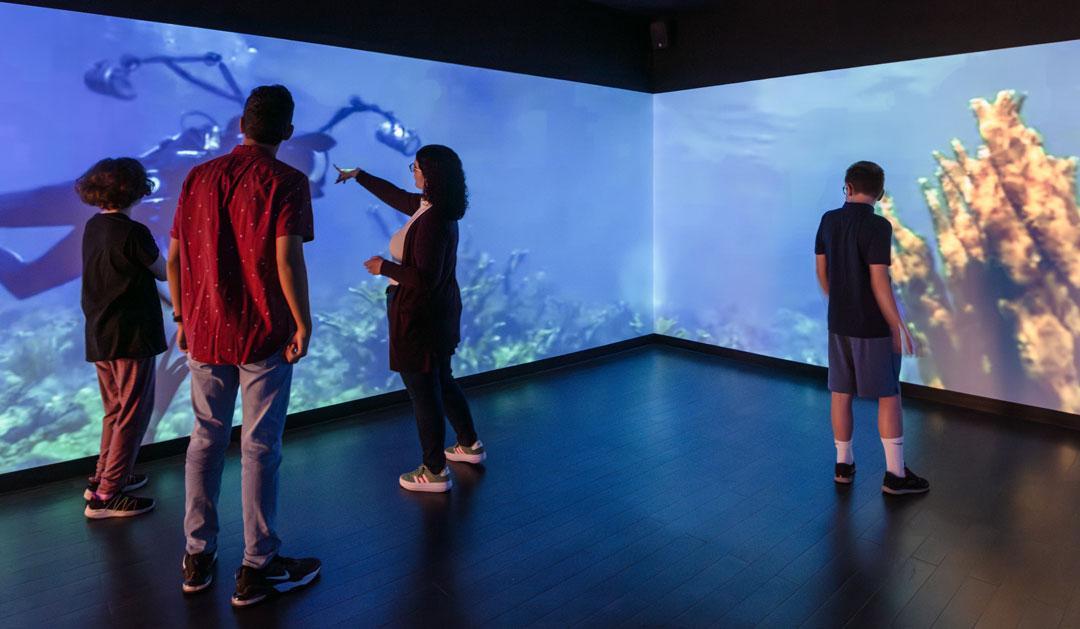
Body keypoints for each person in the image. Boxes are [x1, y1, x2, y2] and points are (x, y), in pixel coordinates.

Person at [168, 85, 320, 606]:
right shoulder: (288, 181)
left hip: (206, 331)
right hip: (264, 334)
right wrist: (303, 322)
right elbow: (287, 260)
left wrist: (184, 315)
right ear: (288, 131)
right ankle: (257, 566)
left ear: (241, 123)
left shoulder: (197, 177)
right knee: (259, 447)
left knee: (204, 441)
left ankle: (197, 556)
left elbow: (174, 258)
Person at [335, 145, 485, 494]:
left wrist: (382, 267)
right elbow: (397, 196)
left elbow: (424, 279)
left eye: (415, 167)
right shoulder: (432, 208)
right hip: (436, 313)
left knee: (423, 390)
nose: (411, 172)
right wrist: (359, 176)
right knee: (442, 381)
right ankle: (469, 445)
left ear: (430, 174)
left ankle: (435, 471)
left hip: (419, 317)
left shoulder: (432, 221)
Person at [814, 161, 930, 495]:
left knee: (840, 392)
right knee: (888, 394)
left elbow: (822, 271)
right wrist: (898, 324)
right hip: (873, 326)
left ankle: (843, 465)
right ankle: (895, 475)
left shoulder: (828, 220)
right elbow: (879, 280)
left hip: (838, 323)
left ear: (847, 187)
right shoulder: (879, 226)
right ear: (879, 193)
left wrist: (838, 301)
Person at [76, 157, 165, 519]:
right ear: (136, 190)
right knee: (132, 414)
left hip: (100, 334)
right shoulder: (134, 233)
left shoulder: (93, 226)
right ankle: (106, 497)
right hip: (131, 337)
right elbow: (161, 271)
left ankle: (104, 479)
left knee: (115, 411)